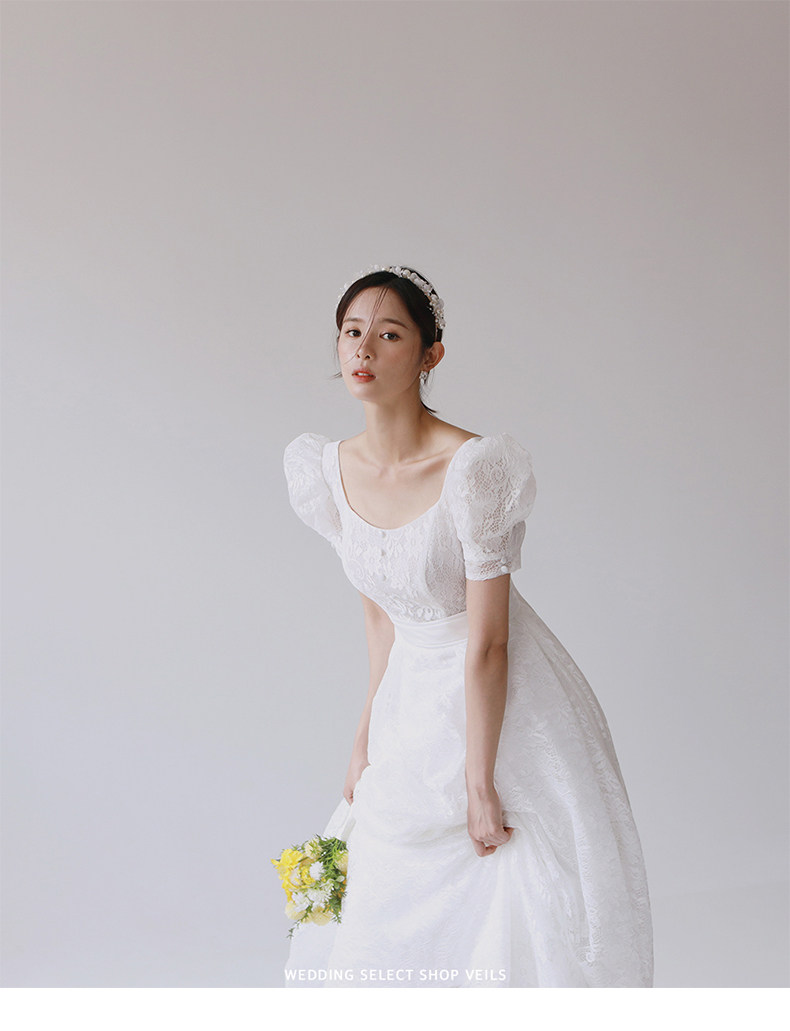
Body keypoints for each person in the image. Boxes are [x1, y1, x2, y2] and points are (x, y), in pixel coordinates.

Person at [281, 265, 653, 988]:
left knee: (503, 883)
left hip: (495, 696)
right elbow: (379, 613)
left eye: (390, 335)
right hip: (408, 700)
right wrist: (364, 736)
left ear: (431, 354)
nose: (364, 349)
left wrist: (479, 782)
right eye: (352, 332)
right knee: (385, 893)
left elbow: (489, 641)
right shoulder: (328, 469)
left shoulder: (474, 468)